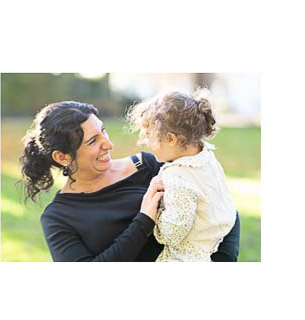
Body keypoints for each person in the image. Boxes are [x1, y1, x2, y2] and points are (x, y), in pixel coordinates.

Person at [20, 100, 240, 262]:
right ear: (62, 157)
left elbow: (218, 206)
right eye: (93, 141)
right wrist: (144, 220)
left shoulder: (148, 166)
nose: (108, 144)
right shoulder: (58, 218)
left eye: (103, 131)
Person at [127, 90, 237, 262]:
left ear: (170, 139)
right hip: (217, 234)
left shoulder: (177, 178)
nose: (145, 142)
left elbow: (172, 235)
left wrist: (156, 212)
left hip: (189, 256)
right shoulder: (205, 154)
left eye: (148, 136)